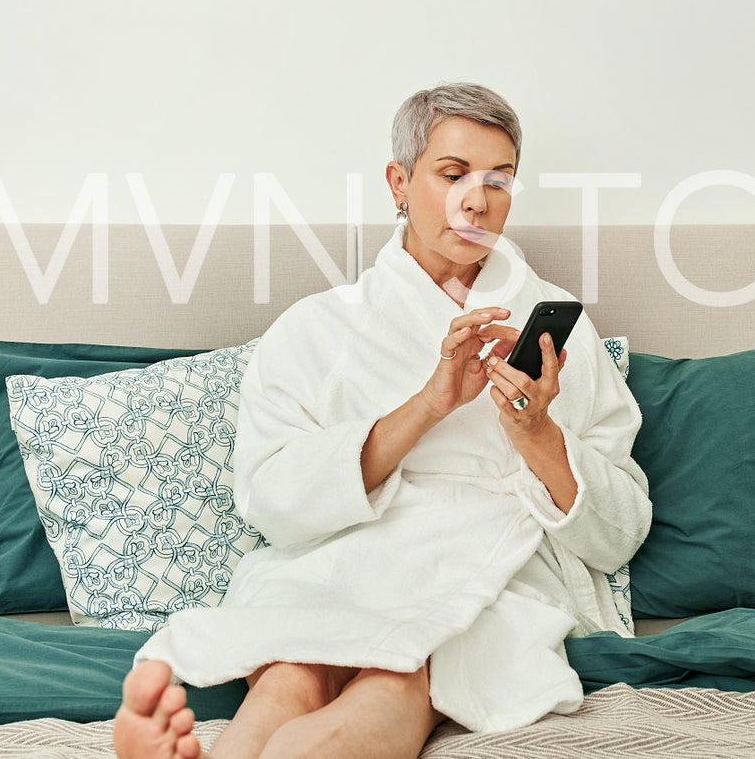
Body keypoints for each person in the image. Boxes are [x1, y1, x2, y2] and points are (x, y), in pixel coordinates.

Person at [114, 83, 652, 759]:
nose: (476, 200)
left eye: (498, 180)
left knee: (398, 669)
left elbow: (619, 531)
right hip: (343, 556)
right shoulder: (316, 328)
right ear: (399, 182)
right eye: (453, 175)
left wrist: (535, 430)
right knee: (289, 673)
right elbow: (271, 500)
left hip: (488, 564)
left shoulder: (553, 326)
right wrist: (427, 404)